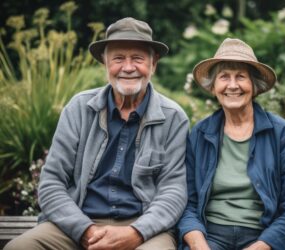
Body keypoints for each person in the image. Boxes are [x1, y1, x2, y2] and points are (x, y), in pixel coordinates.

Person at [5, 17, 189, 250]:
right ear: (105, 63)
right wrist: (85, 231)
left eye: (138, 59)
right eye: (118, 58)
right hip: (78, 221)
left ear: (153, 64)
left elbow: (174, 191)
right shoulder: (79, 108)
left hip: (144, 227)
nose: (128, 67)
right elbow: (51, 182)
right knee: (19, 247)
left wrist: (136, 233)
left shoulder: (173, 117)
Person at [177, 38, 285, 250]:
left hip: (265, 237)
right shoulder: (200, 134)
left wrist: (260, 246)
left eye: (240, 77)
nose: (232, 85)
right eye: (224, 77)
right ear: (213, 87)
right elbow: (187, 204)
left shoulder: (283, 134)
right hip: (210, 234)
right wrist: (199, 245)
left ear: (254, 86)